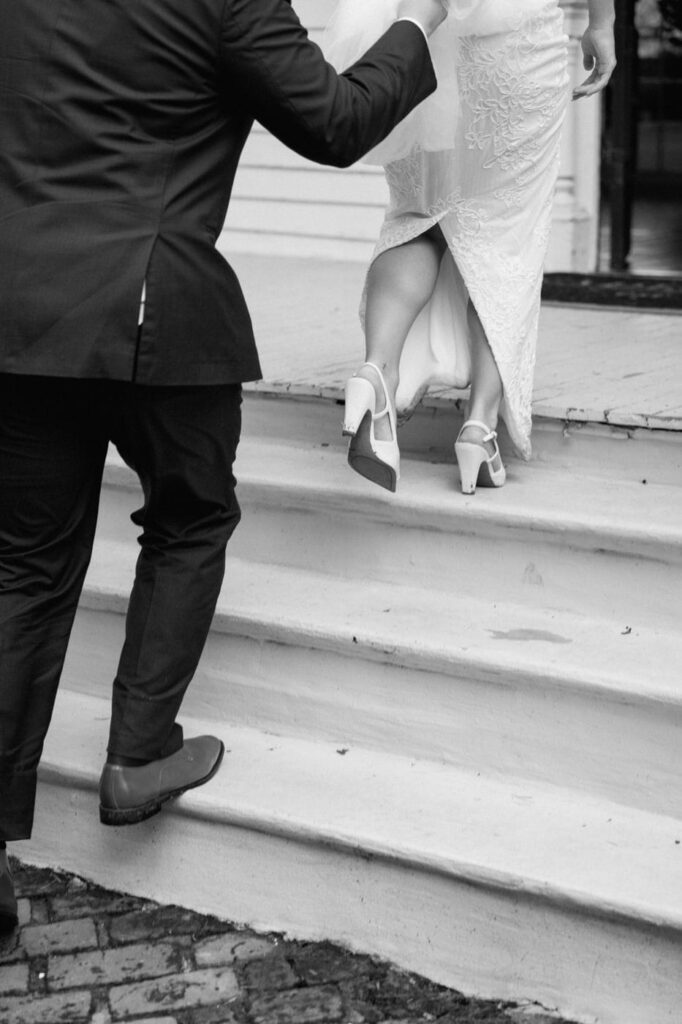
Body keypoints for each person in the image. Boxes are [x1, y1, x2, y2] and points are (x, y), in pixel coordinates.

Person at [0, 0, 449, 934]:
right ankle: (139, 751)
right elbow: (335, 122)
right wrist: (418, 21)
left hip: (22, 312)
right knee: (190, 518)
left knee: (27, 570)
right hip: (156, 311)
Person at [328, 0, 616, 493]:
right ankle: (479, 427)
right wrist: (603, 24)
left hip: (423, 35)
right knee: (507, 232)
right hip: (518, 39)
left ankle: (377, 371)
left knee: (420, 213)